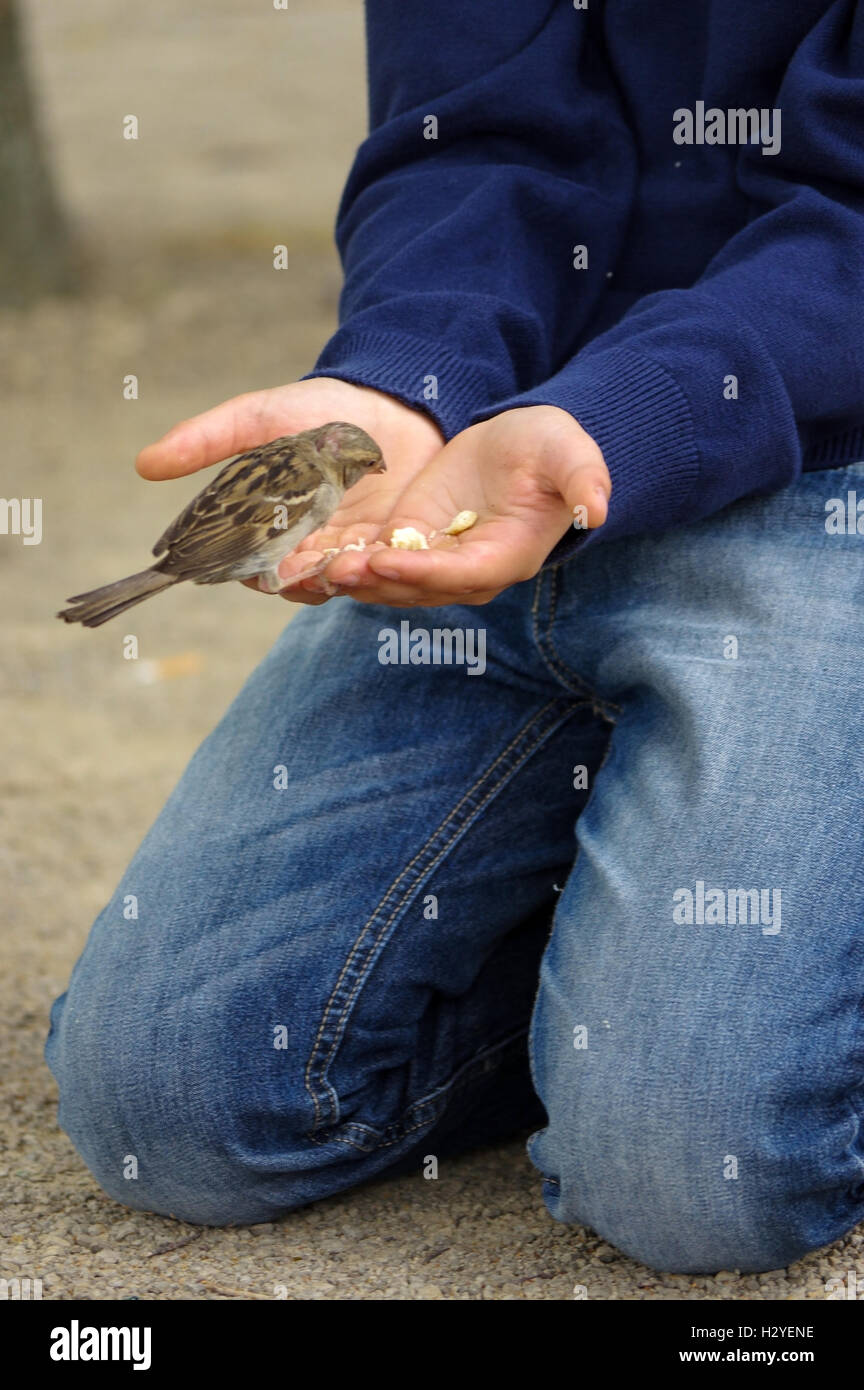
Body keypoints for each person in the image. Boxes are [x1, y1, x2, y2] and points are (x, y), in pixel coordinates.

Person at [46, 1, 864, 1273]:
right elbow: (468, 128)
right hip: (487, 456)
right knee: (171, 1100)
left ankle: (747, 979)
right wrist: (408, 376)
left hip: (825, 455)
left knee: (690, 1179)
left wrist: (624, 414)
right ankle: (626, 945)